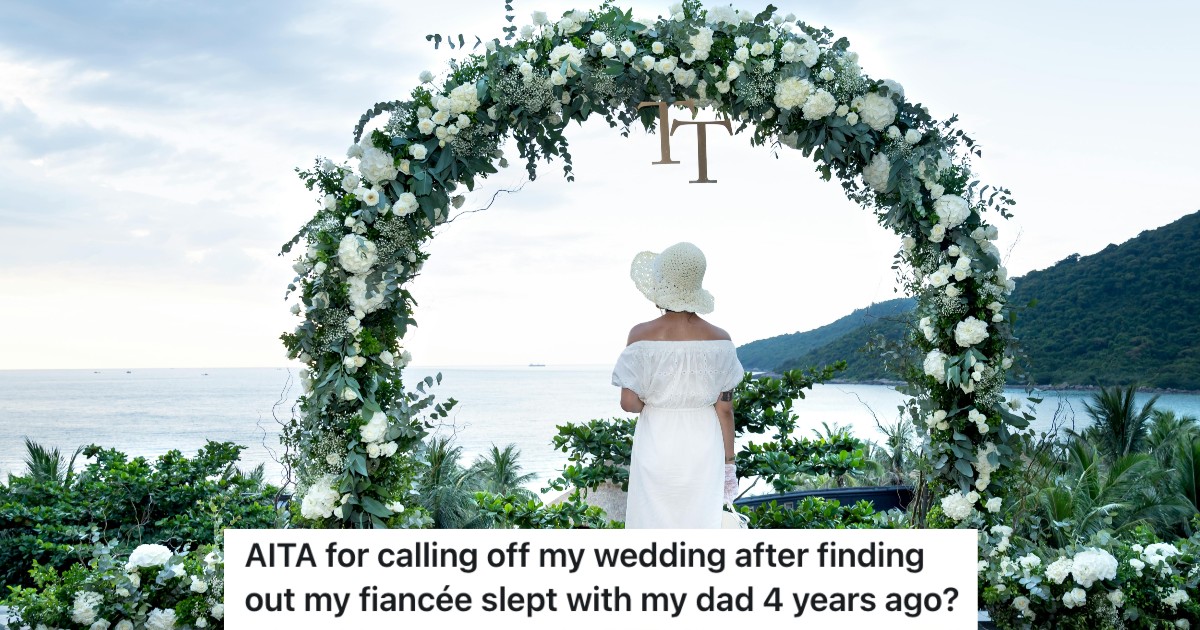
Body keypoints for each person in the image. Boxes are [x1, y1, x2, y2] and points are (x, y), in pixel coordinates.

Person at [611, 242, 744, 528]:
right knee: (701, 526)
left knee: (652, 525)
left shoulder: (640, 335)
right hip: (703, 446)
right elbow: (725, 408)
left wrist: (659, 397)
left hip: (656, 441)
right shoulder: (722, 341)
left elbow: (629, 404)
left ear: (662, 286)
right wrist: (729, 463)